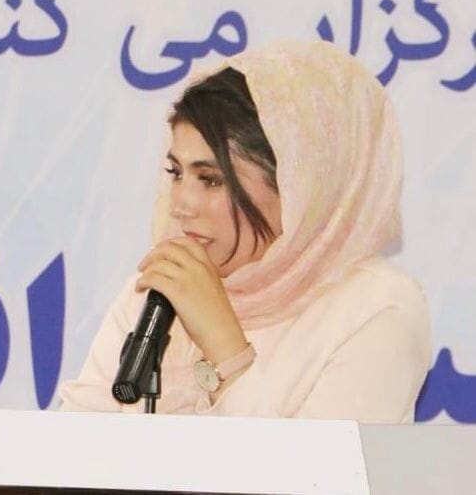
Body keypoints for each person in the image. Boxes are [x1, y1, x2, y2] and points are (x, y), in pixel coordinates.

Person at [60, 41, 431, 422]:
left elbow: (319, 463)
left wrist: (224, 344)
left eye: (211, 180)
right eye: (176, 173)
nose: (180, 205)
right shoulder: (159, 287)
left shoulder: (377, 307)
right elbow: (71, 443)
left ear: (297, 187)